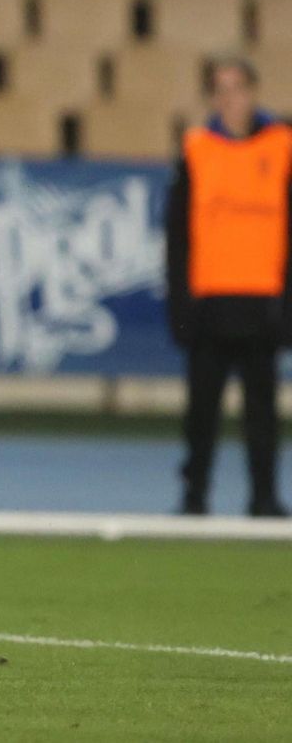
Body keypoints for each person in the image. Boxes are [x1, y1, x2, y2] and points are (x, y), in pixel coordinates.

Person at [166, 56, 291, 518]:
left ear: (254, 91)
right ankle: (194, 495)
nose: (228, 98)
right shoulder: (197, 148)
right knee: (201, 413)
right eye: (219, 89)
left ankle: (265, 497)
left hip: (264, 302)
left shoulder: (282, 145)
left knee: (263, 413)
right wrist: (180, 307)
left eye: (237, 87)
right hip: (209, 302)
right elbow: (177, 237)